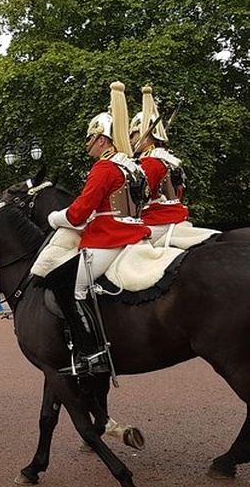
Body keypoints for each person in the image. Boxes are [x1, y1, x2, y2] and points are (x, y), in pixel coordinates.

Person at [47, 81, 151, 376]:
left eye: (91, 138)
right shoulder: (133, 166)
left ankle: (92, 353)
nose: (88, 144)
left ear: (103, 140)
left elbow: (79, 213)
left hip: (109, 238)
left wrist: (55, 218)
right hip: (135, 232)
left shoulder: (105, 168)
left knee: (69, 286)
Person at [129, 85, 199, 246]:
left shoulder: (149, 163)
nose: (131, 140)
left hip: (157, 220)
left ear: (144, 134)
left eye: (133, 134)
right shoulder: (170, 160)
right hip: (177, 215)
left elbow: (136, 201)